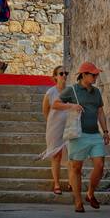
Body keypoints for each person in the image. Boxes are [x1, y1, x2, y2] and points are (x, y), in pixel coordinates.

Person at [51, 62, 110, 213]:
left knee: (100, 165)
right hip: (78, 135)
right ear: (83, 75)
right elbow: (55, 104)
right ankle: (78, 201)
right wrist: (71, 106)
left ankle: (90, 193)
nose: (96, 76)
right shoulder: (72, 90)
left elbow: (100, 112)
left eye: (96, 74)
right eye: (93, 74)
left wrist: (105, 131)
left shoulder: (96, 92)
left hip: (94, 134)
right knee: (76, 168)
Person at [40, 66, 69, 194]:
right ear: (55, 77)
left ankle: (71, 181)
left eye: (65, 73)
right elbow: (45, 110)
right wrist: (52, 122)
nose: (64, 75)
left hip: (69, 128)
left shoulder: (70, 91)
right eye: (61, 73)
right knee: (56, 156)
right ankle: (57, 184)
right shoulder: (50, 92)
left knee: (72, 155)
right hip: (54, 129)